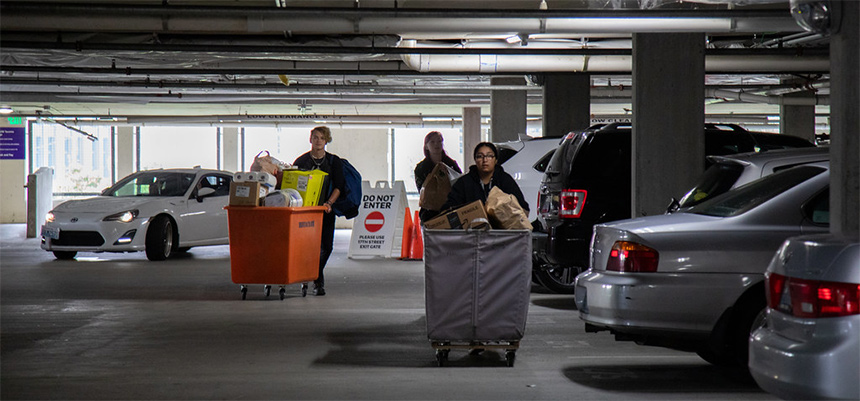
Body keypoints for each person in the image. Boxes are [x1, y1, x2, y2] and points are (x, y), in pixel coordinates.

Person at [293, 126, 345, 296]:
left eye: (321, 138)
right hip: (306, 210)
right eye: (315, 137)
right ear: (310, 139)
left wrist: (329, 203)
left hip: (325, 209)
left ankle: (313, 273)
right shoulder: (301, 162)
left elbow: (339, 186)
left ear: (326, 141)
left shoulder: (333, 161)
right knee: (309, 246)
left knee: (327, 247)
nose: (318, 141)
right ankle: (318, 282)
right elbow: (293, 185)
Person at [440, 141, 529, 216]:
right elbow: (448, 209)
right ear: (475, 160)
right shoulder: (464, 182)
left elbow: (523, 209)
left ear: (496, 160)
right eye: (480, 156)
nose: (485, 160)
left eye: (489, 156)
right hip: (472, 232)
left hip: (500, 234)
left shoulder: (505, 180)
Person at [414, 131, 462, 223]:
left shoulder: (451, 164)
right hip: (429, 212)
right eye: (432, 142)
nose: (437, 144)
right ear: (426, 146)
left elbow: (460, 182)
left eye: (439, 141)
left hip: (450, 209)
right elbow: (422, 191)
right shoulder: (421, 168)